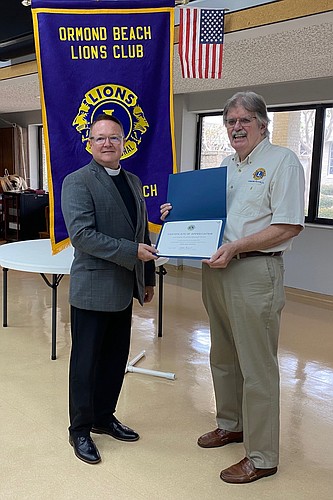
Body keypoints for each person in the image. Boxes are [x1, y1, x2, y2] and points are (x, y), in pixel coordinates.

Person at [161, 91, 305, 484]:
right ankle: (231, 424)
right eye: (230, 121)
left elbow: (289, 224)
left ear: (262, 124)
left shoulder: (282, 162)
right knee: (223, 355)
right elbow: (211, 217)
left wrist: (237, 246)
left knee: (257, 366)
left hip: (255, 272)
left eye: (244, 120)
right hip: (217, 270)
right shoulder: (226, 166)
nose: (236, 127)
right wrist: (179, 215)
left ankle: (262, 456)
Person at [61, 113, 157, 464]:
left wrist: (146, 278)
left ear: (123, 143)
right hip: (91, 290)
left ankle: (103, 416)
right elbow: (82, 236)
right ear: (89, 143)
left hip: (124, 288)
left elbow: (140, 233)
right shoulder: (77, 181)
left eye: (114, 138)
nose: (107, 143)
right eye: (100, 138)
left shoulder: (132, 180)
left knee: (115, 360)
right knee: (85, 363)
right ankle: (80, 429)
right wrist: (133, 253)